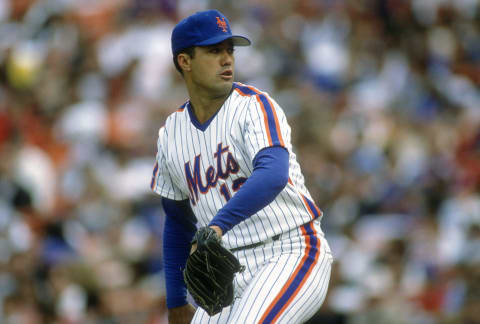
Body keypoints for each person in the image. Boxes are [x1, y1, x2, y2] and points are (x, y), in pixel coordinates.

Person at [151, 9, 333, 324]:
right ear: (185, 61)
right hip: (228, 272)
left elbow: (272, 174)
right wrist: (177, 300)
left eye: (229, 50)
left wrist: (217, 226)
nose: (227, 59)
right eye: (213, 51)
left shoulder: (254, 106)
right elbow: (177, 221)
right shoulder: (171, 134)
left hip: (289, 250)